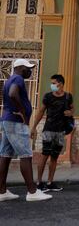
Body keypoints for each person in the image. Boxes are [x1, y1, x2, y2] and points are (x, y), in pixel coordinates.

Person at [0, 59, 52, 202]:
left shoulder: (9, 79)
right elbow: (12, 94)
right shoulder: (18, 78)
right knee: (25, 154)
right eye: (28, 68)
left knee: (5, 154)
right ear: (20, 68)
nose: (30, 71)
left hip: (6, 120)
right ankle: (32, 192)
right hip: (16, 122)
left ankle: (2, 190)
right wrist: (23, 111)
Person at [31, 74, 74, 192]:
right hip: (48, 130)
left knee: (54, 157)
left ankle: (50, 182)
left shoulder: (68, 96)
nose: (52, 85)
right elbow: (41, 111)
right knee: (44, 155)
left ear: (60, 83)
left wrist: (70, 113)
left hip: (61, 131)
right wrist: (34, 127)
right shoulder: (48, 97)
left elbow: (72, 109)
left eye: (54, 83)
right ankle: (39, 183)